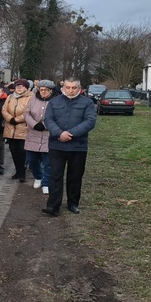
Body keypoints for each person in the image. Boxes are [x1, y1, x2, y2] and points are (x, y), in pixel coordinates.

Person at [42, 78, 97, 216]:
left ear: (79, 88)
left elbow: (90, 121)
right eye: (68, 87)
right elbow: (48, 119)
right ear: (63, 88)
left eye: (74, 87)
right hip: (57, 145)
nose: (70, 90)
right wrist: (59, 133)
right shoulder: (54, 102)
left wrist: (71, 134)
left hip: (78, 146)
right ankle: (53, 206)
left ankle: (73, 203)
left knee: (75, 176)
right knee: (55, 176)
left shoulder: (88, 103)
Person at [24, 80, 58, 195]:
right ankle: (38, 176)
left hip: (48, 134)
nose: (43, 92)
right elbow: (26, 113)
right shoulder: (33, 99)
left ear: (51, 91)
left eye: (46, 90)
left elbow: (57, 117)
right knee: (31, 159)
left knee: (47, 162)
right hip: (33, 133)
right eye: (41, 89)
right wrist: (34, 124)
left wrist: (45, 125)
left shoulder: (56, 101)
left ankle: (46, 182)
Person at [1, 79, 33, 182]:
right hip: (10, 128)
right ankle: (17, 171)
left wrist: (17, 119)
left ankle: (22, 172)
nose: (19, 88)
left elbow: (29, 111)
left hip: (23, 128)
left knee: (22, 151)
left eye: (21, 86)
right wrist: (10, 119)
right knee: (13, 151)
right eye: (17, 86)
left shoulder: (31, 97)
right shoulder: (10, 97)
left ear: (26, 88)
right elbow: (4, 110)